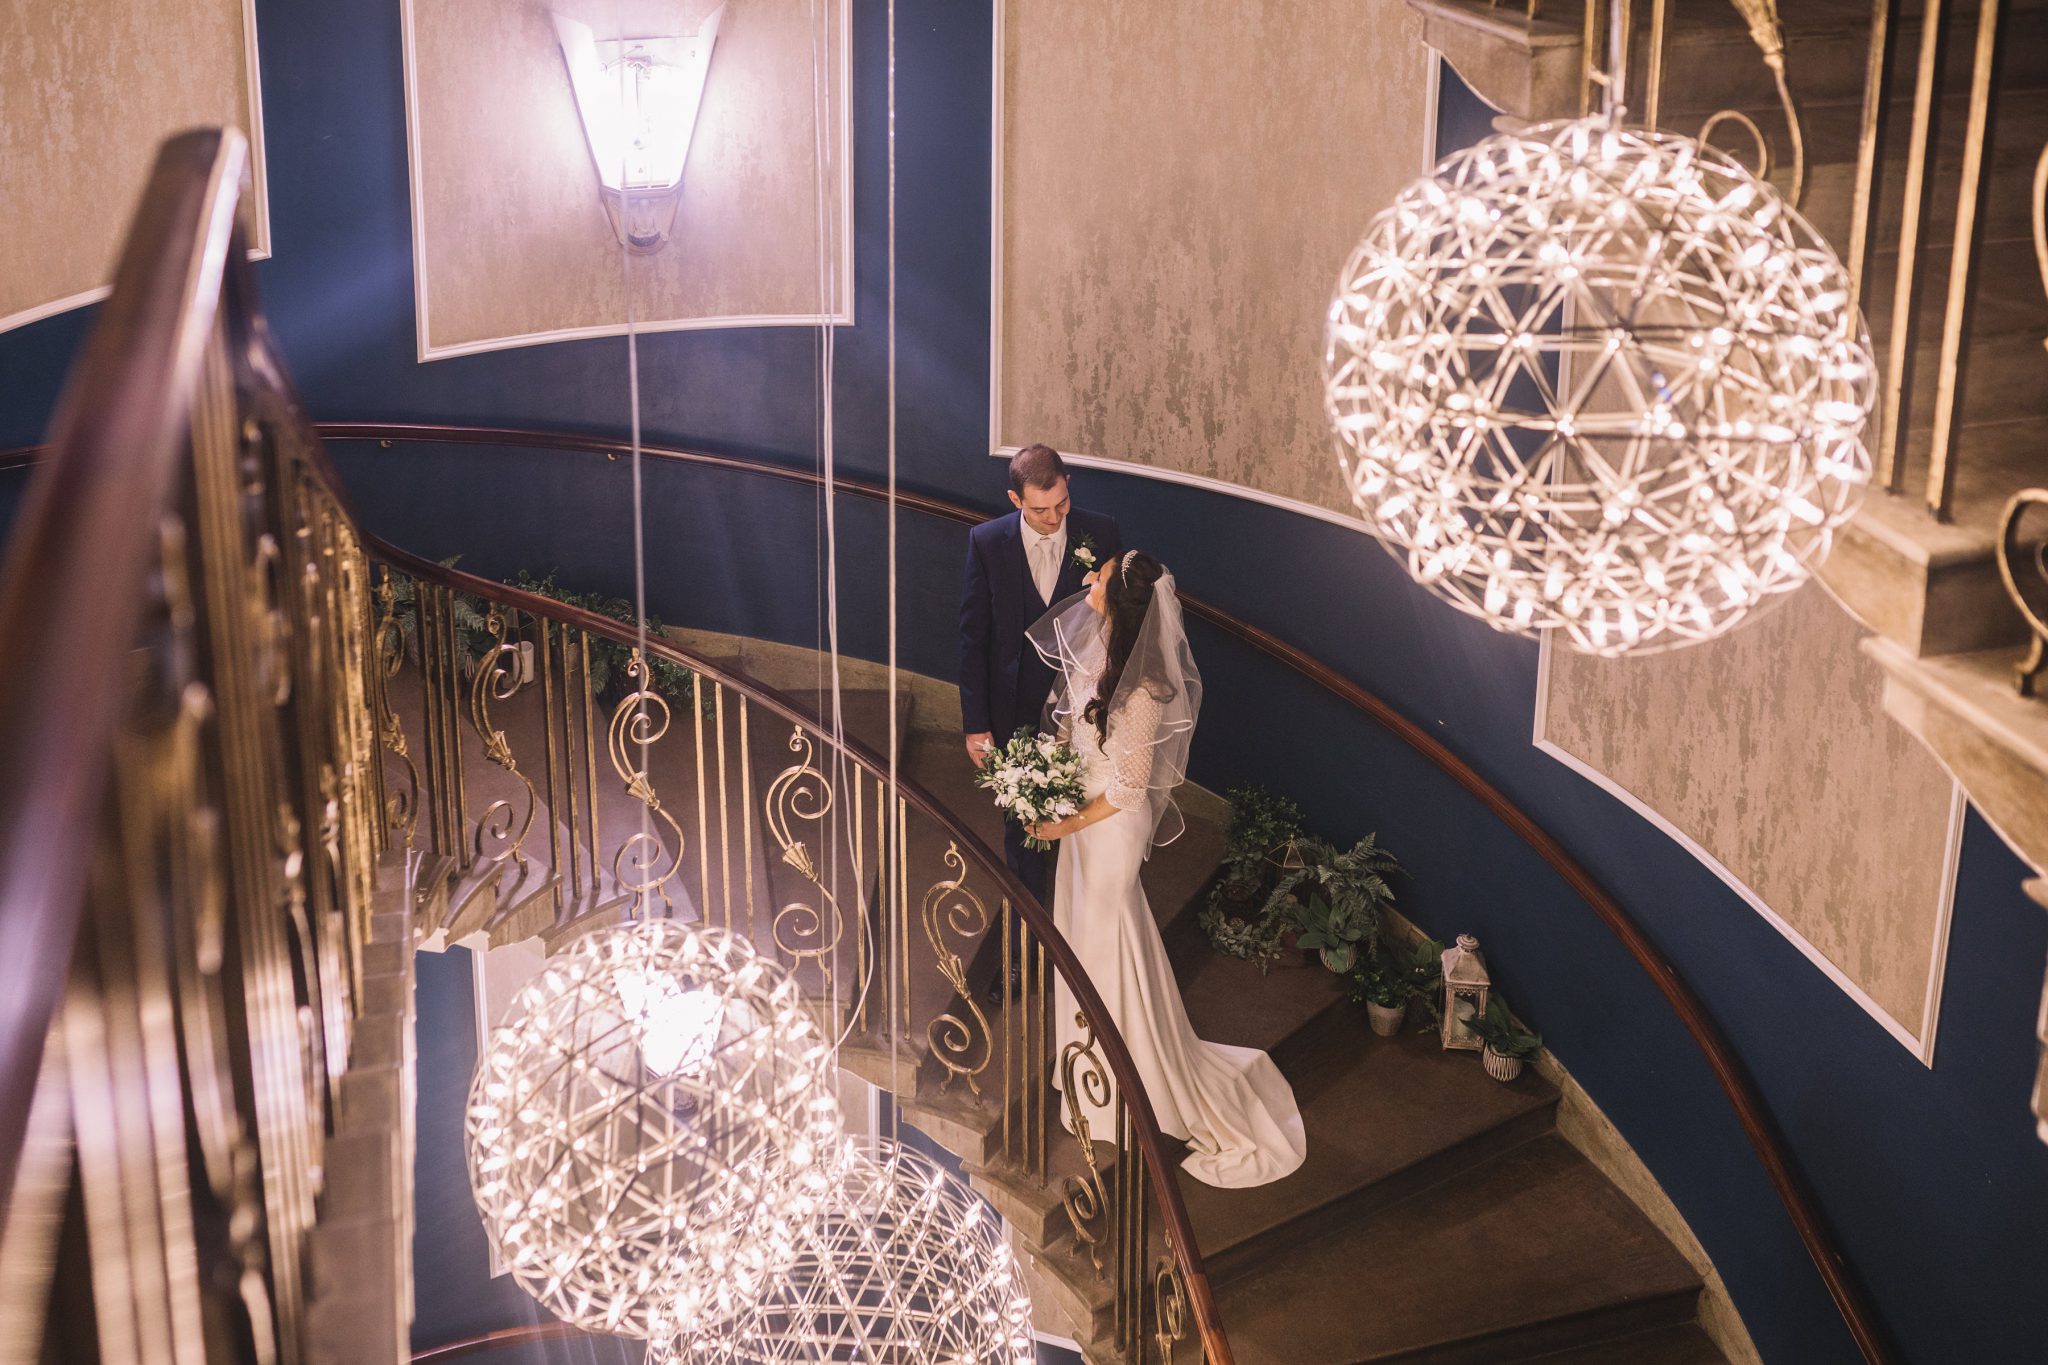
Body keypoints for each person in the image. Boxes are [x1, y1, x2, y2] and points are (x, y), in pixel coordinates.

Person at [1023, 551, 1305, 1189]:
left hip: (1107, 831)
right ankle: (1080, 1067)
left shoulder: (1148, 689)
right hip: (1078, 818)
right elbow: (1075, 736)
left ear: (1119, 603)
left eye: (1100, 575)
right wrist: (1046, 787)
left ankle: (1121, 1087)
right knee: (1082, 945)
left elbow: (1125, 790)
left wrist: (1058, 823)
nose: (1088, 579)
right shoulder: (1095, 646)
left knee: (1103, 949)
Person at [959, 444, 1122, 905]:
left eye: (1061, 505)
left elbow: (1119, 620)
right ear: (1016, 501)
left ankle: (1078, 922)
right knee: (1023, 829)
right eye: (1040, 509)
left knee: (1084, 821)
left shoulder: (1102, 531)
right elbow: (973, 640)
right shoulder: (987, 543)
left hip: (1085, 710)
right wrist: (976, 724)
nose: (1054, 518)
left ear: (1067, 482)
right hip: (1015, 710)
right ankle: (1028, 936)